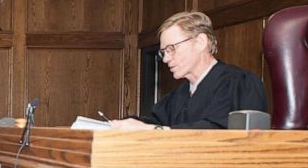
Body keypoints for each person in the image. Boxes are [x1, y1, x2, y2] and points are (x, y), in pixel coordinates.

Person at [110, 11, 267, 130]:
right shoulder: (179, 94)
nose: (165, 59)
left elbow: (223, 133)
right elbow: (155, 120)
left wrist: (155, 131)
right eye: (163, 52)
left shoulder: (240, 84)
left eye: (171, 49)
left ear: (200, 42)